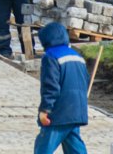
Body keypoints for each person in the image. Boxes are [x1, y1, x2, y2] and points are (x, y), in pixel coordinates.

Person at [33, 22, 90, 154]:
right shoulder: (78, 56)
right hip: (77, 110)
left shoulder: (51, 57)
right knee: (74, 146)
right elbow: (85, 81)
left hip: (60, 112)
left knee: (43, 146)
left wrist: (45, 109)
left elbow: (50, 87)